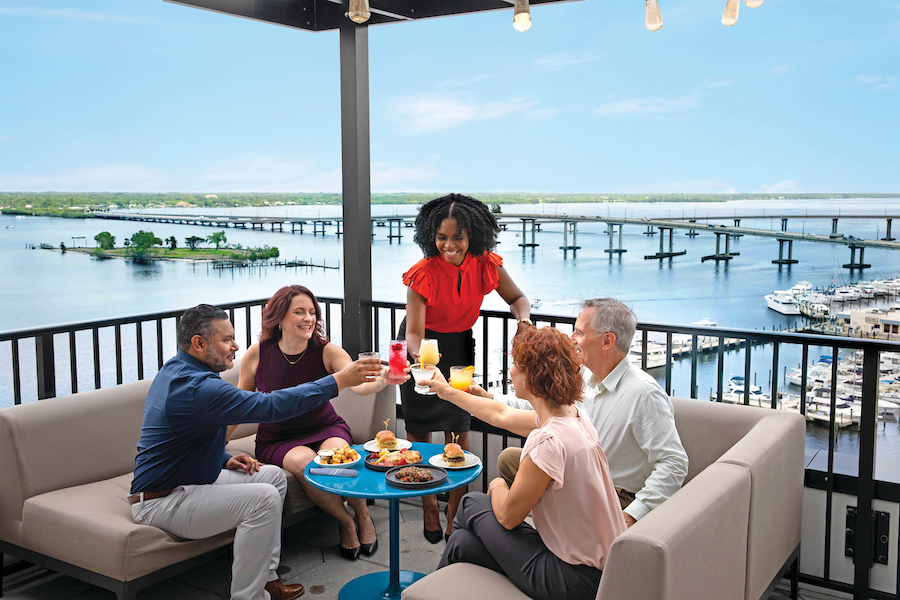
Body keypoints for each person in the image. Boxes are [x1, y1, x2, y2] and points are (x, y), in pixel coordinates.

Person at [129, 304, 382, 600]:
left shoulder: (179, 370)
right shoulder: (198, 387)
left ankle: (267, 581)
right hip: (163, 501)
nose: (235, 346)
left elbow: (182, 439)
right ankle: (248, 597)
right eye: (226, 339)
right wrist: (337, 381)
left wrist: (224, 457)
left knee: (272, 477)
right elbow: (270, 406)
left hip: (191, 481)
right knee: (262, 500)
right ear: (198, 343)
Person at [426, 327, 626, 600]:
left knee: (471, 503)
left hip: (574, 581)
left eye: (516, 365)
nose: (510, 371)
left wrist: (496, 483)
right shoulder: (574, 417)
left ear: (533, 376)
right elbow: (501, 414)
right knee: (461, 542)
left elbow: (508, 517)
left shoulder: (548, 441)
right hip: (605, 572)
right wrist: (447, 391)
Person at [233, 285, 400, 561]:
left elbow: (358, 387)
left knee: (339, 456)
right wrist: (216, 439)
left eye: (312, 312)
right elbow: (238, 404)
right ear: (279, 318)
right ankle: (346, 521)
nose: (308, 318)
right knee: (306, 463)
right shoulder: (257, 354)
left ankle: (363, 514)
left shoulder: (326, 351)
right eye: (299, 312)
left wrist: (383, 380)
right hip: (278, 437)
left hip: (324, 426)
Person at [400, 193, 531, 543]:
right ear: (431, 236)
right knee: (420, 435)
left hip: (459, 346)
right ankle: (429, 504)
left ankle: (454, 515)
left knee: (459, 431)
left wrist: (524, 321)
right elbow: (413, 332)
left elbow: (518, 299)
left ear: (473, 234)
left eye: (457, 237)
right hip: (424, 348)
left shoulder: (486, 263)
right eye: (441, 237)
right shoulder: (422, 273)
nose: (449, 245)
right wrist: (422, 361)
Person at [495, 298, 688, 526]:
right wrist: (489, 397)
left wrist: (633, 514)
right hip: (581, 478)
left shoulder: (644, 393)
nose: (571, 338)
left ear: (607, 341)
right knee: (509, 459)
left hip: (616, 494)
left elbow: (674, 463)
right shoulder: (586, 378)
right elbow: (540, 404)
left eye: (579, 332)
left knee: (494, 501)